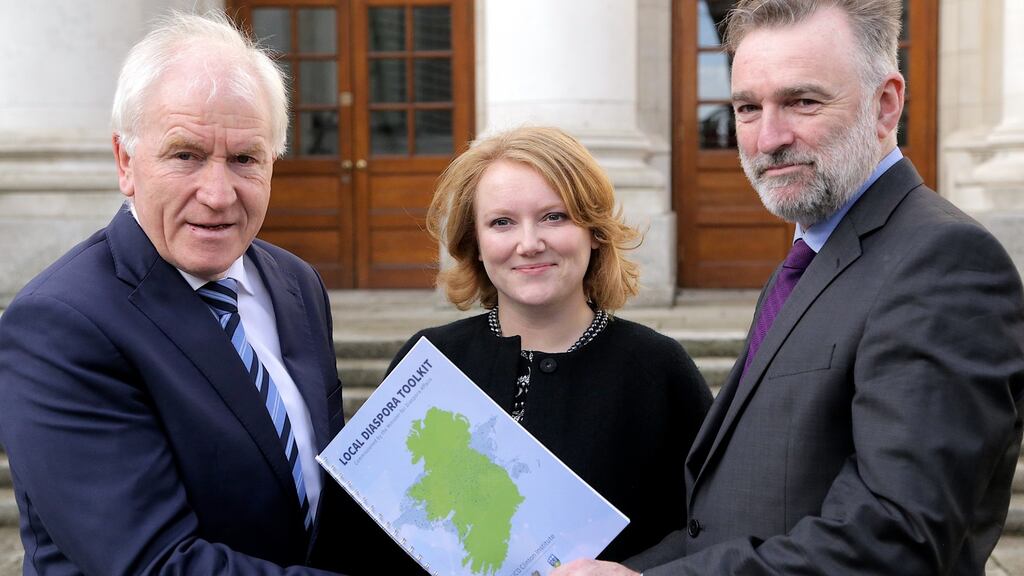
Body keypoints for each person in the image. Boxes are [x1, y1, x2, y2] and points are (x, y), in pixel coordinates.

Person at [554, 1, 1024, 575]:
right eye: (748, 107)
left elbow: (897, 539)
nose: (768, 137)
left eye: (802, 101)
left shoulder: (944, 264)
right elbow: (731, 520)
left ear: (886, 104)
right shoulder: (810, 259)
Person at [0, 11, 351, 575]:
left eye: (245, 159)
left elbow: (323, 493)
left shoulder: (296, 284)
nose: (217, 194)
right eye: (186, 155)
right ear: (126, 161)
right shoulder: (59, 324)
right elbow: (155, 564)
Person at [338, 126, 712, 574]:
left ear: (594, 231)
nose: (529, 242)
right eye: (502, 222)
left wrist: (639, 573)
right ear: (474, 244)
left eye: (555, 217)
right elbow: (368, 530)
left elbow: (710, 524)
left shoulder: (657, 368)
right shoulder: (432, 358)